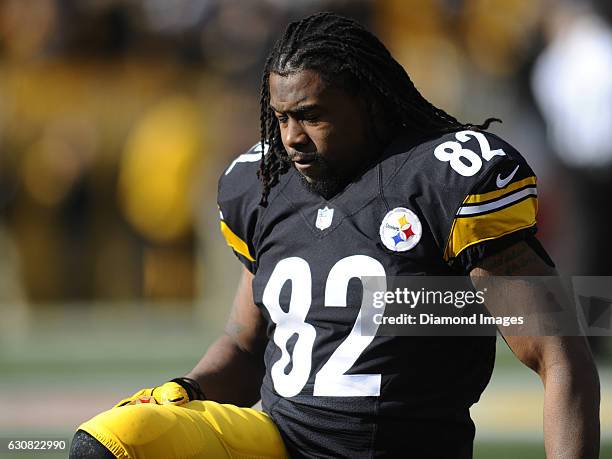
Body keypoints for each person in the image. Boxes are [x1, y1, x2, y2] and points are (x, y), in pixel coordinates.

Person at [70, 12, 600, 459]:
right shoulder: (265, 183)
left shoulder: (443, 178)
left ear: (368, 100)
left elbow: (558, 355)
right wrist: (190, 389)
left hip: (394, 447)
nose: (292, 138)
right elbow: (244, 343)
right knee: (112, 441)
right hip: (278, 440)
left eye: (311, 116)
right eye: (280, 118)